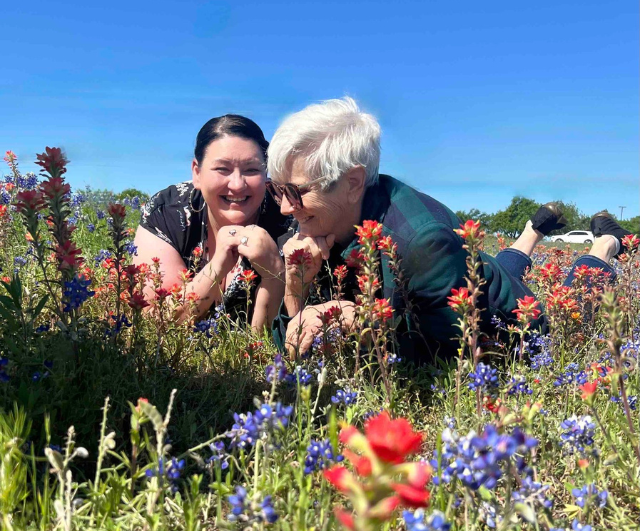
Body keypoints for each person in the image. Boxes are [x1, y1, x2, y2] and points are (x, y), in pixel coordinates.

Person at [267, 97, 631, 363]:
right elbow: (286, 340)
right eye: (277, 190)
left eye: (295, 191)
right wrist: (296, 290)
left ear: (352, 183)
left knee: (573, 302)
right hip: (470, 268)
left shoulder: (421, 242)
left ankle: (605, 244)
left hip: (510, 324)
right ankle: (532, 230)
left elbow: (445, 356)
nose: (285, 207)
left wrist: (365, 322)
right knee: (490, 265)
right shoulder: (318, 223)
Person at [133, 115, 291, 330]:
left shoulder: (288, 215)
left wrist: (274, 273)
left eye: (252, 170)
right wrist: (216, 268)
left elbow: (268, 344)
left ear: (266, 174)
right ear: (197, 173)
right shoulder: (167, 211)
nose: (237, 184)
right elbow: (155, 321)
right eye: (222, 169)